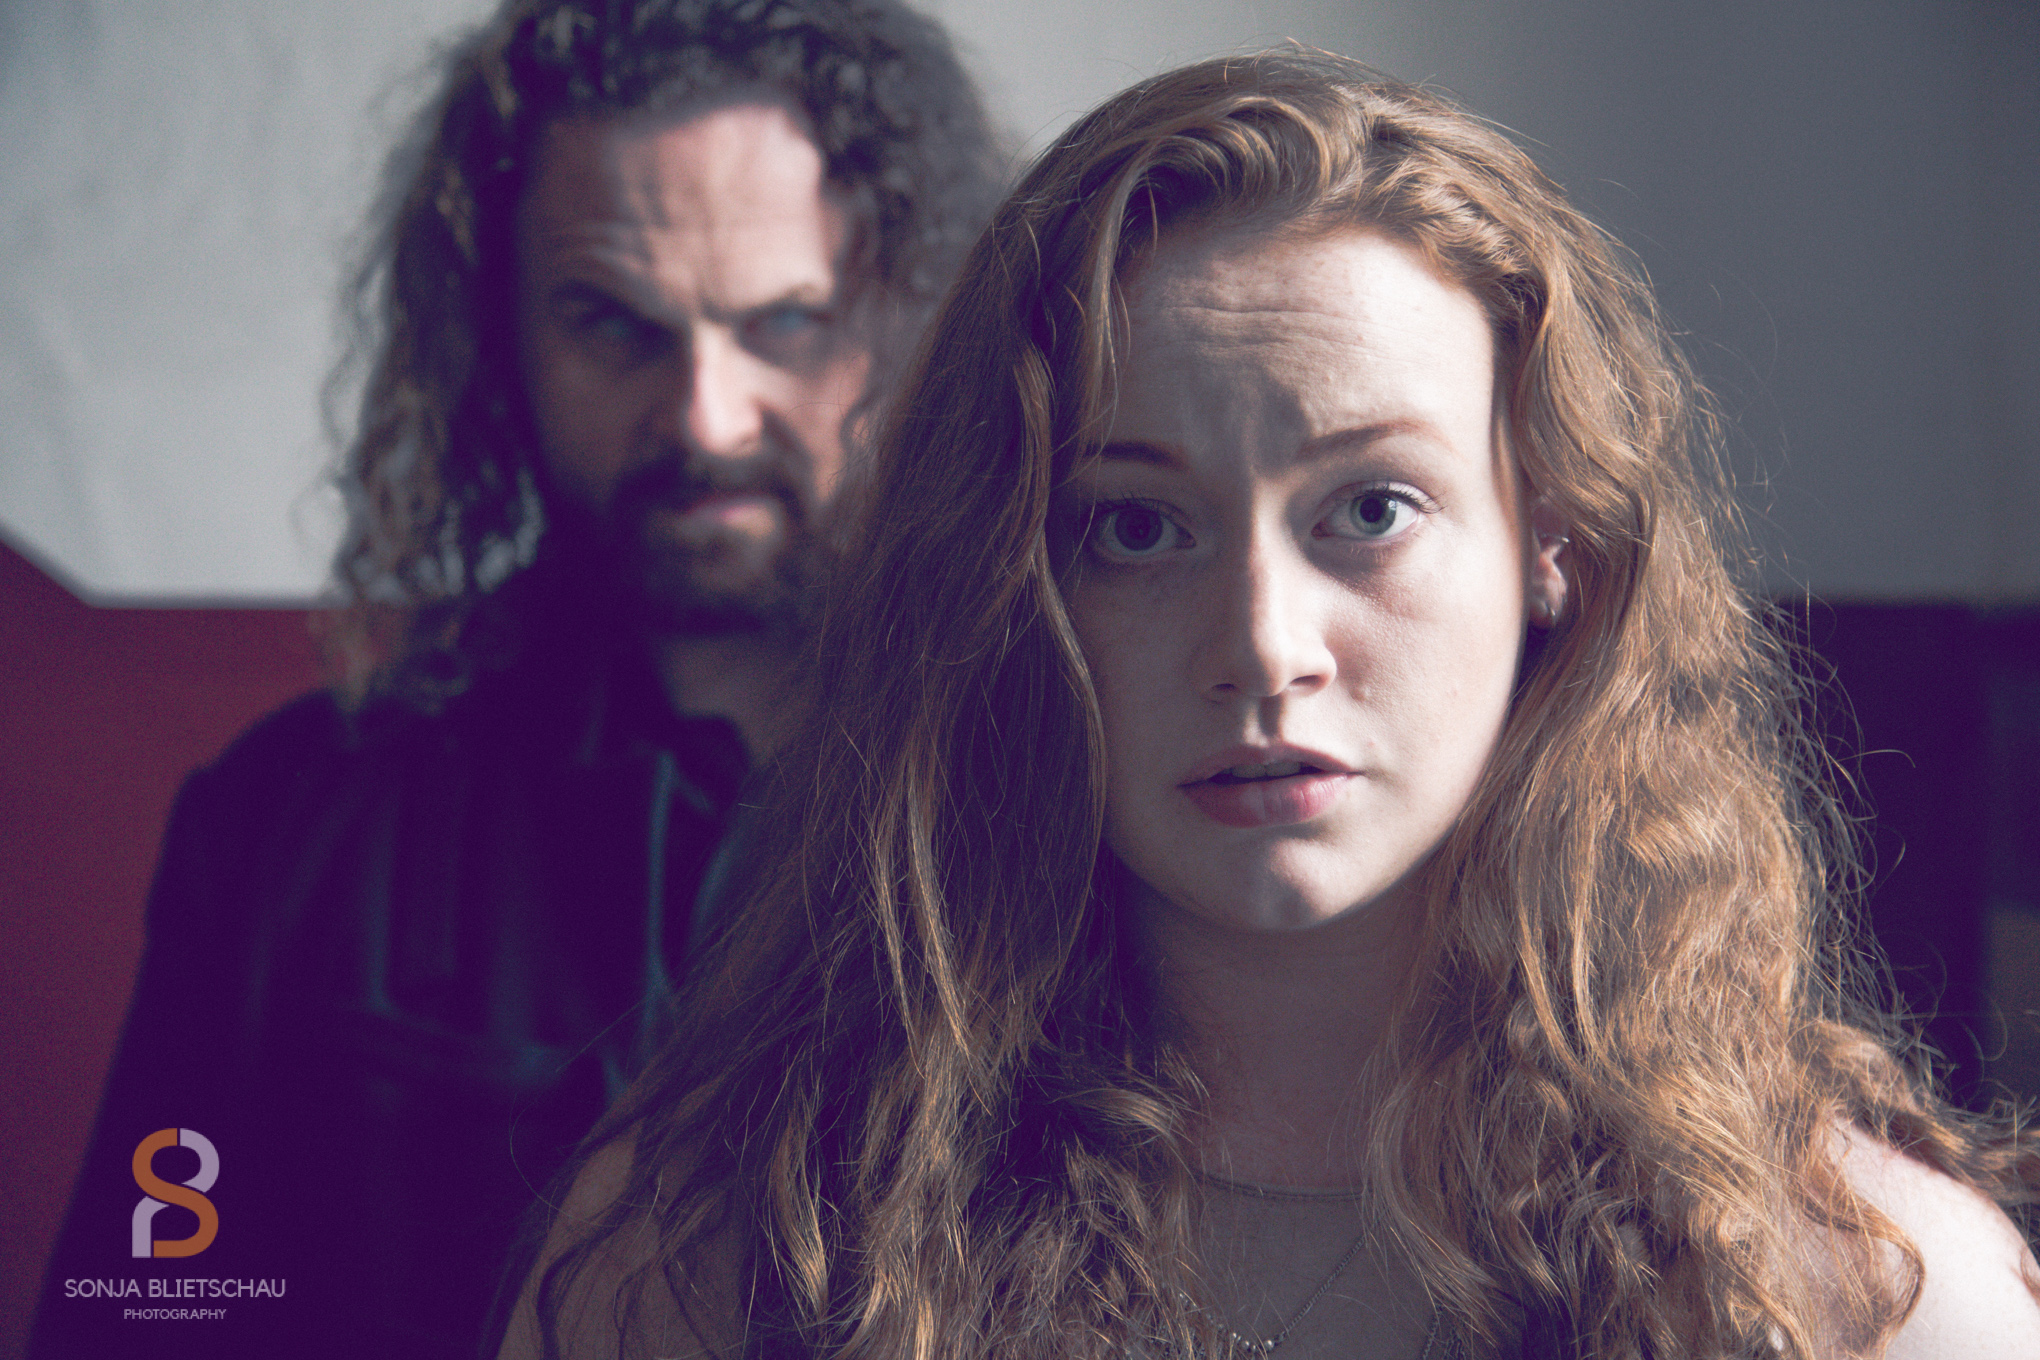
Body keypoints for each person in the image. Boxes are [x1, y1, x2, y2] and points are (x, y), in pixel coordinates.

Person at [503, 49, 2040, 1360]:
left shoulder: (1867, 1295)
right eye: (1134, 527)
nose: (1259, 645)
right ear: (1008, 586)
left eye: (1369, 509)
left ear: (1555, 548)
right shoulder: (720, 1256)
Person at [30, 2, 997, 1356]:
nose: (706, 416)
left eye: (786, 322)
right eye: (612, 324)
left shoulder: (1052, 802)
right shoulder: (285, 824)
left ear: (913, 317)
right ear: (499, 332)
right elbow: (140, 1309)